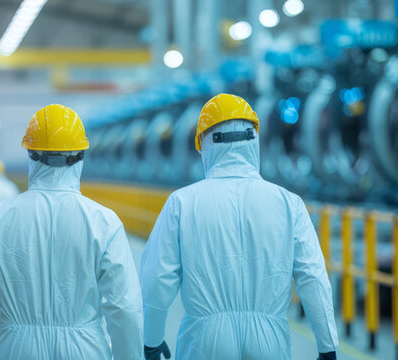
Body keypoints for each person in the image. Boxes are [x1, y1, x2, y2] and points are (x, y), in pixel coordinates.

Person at [139, 94, 339, 360]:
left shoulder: (182, 203)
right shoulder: (288, 203)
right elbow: (313, 277)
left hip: (205, 341)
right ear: (254, 140)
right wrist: (327, 347)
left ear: (205, 144)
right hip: (270, 340)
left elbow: (157, 278)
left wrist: (152, 340)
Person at [0, 104, 143, 359]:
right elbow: (124, 308)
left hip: (18, 350)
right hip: (85, 350)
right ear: (80, 155)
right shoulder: (104, 222)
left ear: (30, 154)